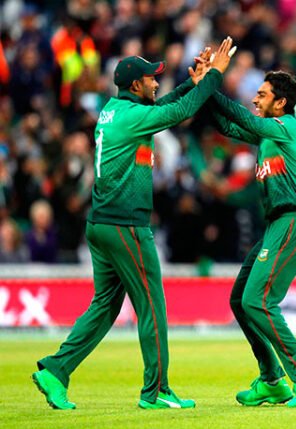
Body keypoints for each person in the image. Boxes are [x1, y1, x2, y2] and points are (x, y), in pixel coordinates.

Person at [32, 38, 235, 410]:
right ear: (136, 84)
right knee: (152, 306)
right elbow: (181, 111)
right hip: (126, 224)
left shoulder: (115, 110)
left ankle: (56, 370)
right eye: (151, 78)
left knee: (105, 306)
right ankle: (156, 391)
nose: (156, 83)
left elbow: (165, 106)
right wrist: (214, 76)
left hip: (102, 224)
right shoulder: (131, 117)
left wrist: (191, 83)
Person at [202, 69, 296, 408]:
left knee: (257, 301)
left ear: (281, 102)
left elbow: (242, 118)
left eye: (262, 94)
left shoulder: (288, 128)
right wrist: (200, 90)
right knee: (240, 301)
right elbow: (228, 126)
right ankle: (272, 380)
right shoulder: (268, 134)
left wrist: (211, 81)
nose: (255, 99)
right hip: (276, 226)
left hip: (293, 223)